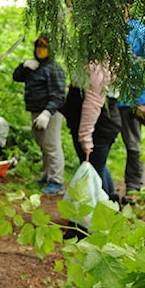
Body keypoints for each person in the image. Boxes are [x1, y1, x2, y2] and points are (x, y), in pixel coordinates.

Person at [117, 0, 145, 204]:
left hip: (130, 101)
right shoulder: (104, 31)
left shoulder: (142, 33)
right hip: (106, 100)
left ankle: (133, 189)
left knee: (133, 146)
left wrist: (143, 101)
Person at [12, 35, 67, 194]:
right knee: (42, 144)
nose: (40, 51)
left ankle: (57, 181)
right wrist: (23, 66)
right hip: (35, 110)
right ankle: (46, 175)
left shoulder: (55, 69)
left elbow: (58, 95)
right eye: (38, 48)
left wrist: (47, 113)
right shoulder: (33, 66)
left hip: (50, 113)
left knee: (51, 145)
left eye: (43, 48)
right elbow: (17, 77)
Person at [61, 61, 121, 203]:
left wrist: (85, 136)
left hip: (97, 127)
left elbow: (94, 100)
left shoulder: (98, 60)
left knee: (95, 173)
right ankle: (112, 203)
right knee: (98, 166)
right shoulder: (94, 56)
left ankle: (101, 216)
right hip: (97, 124)